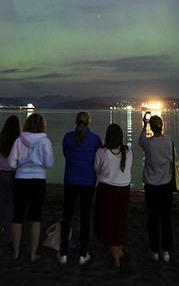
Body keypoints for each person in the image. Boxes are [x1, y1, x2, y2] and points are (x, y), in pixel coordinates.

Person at [58, 111, 102, 265]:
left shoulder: (67, 137)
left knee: (67, 215)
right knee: (85, 217)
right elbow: (99, 157)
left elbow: (66, 154)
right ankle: (83, 254)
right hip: (88, 182)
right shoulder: (95, 139)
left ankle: (63, 253)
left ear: (75, 121)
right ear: (88, 122)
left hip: (70, 180)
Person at [8, 112, 54, 262]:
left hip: (21, 179)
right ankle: (33, 254)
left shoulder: (19, 141)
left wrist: (21, 164)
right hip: (38, 180)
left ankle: (15, 252)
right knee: (35, 218)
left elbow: (11, 163)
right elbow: (49, 163)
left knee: (17, 217)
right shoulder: (45, 141)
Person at [93, 123, 133, 269]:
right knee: (120, 221)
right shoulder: (127, 151)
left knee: (109, 222)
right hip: (124, 190)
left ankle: (116, 260)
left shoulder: (102, 152)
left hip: (107, 190)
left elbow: (96, 168)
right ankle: (120, 252)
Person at [138, 113, 174, 262]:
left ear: (151, 128)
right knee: (165, 218)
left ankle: (154, 250)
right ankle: (166, 251)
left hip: (151, 186)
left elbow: (140, 140)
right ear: (162, 126)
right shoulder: (169, 140)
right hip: (166, 185)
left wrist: (144, 124)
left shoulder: (148, 143)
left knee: (152, 218)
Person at [0, 114, 20, 244]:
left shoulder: (0, 138)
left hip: (1, 174)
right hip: (13, 174)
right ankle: (7, 235)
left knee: (2, 202)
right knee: (12, 205)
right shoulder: (18, 140)